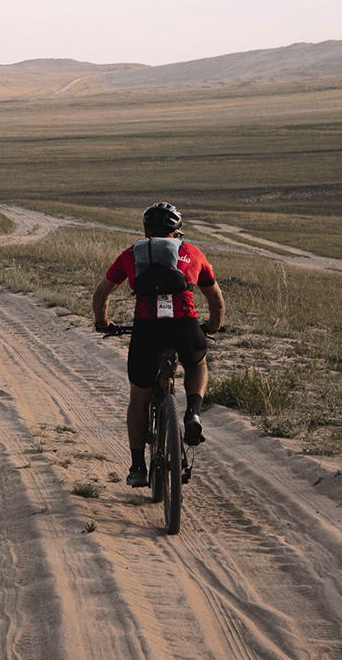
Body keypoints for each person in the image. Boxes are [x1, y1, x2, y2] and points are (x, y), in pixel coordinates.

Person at [92, 202, 225, 487]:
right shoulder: (192, 252)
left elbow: (102, 292)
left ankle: (138, 467)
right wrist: (213, 326)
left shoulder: (132, 254)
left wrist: (102, 322)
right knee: (197, 364)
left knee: (139, 397)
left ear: (146, 231)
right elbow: (215, 298)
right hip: (184, 326)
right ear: (177, 232)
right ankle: (193, 413)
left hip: (147, 330)